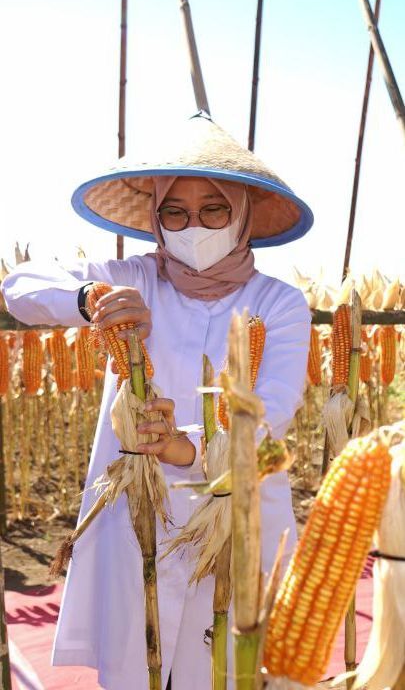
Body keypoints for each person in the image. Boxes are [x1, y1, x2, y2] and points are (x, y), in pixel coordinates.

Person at [2, 114, 314, 690]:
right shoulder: (135, 278)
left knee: (224, 669)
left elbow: (269, 416)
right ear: (156, 220)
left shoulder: (280, 303)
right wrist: (90, 298)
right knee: (141, 665)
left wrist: (184, 448)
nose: (194, 226)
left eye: (214, 209)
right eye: (176, 211)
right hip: (137, 517)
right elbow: (17, 287)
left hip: (236, 516)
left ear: (243, 212)